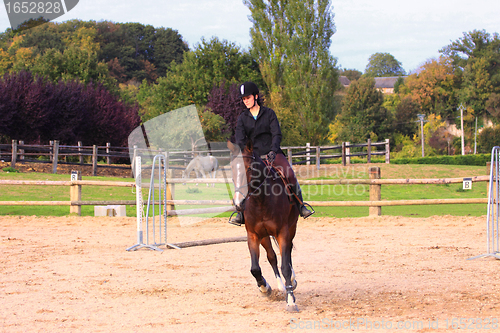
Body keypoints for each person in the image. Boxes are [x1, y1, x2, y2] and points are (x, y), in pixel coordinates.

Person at [229, 81, 314, 226]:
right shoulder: (242, 118)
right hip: (252, 157)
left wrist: (273, 151)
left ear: (256, 96)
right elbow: (239, 138)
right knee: (242, 177)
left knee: (289, 174)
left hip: (272, 154)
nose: (246, 101)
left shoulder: (269, 113)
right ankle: (240, 213)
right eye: (243, 99)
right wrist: (246, 153)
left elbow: (276, 134)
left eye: (248, 97)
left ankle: (301, 206)